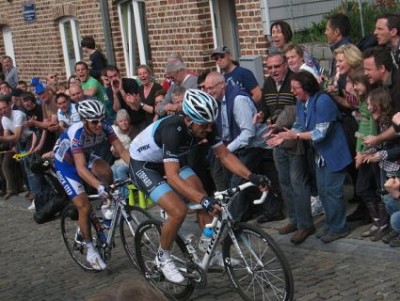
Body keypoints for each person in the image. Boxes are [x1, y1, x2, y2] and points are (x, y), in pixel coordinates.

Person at [128, 89, 269, 283]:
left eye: (212, 124)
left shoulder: (206, 124)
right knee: (178, 210)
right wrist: (203, 201)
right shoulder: (173, 131)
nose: (210, 129)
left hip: (170, 160)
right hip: (144, 165)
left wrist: (251, 176)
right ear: (189, 120)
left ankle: (210, 253)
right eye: (205, 125)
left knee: (200, 193)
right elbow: (172, 176)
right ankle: (162, 257)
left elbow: (225, 155)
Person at [268, 70, 352, 243]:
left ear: (306, 87)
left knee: (332, 191)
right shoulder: (301, 102)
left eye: (295, 88)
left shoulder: (323, 101)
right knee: (323, 190)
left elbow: (320, 132)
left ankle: (339, 227)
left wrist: (295, 136)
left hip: (334, 153)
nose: (292, 91)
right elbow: (300, 124)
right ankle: (331, 224)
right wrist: (285, 135)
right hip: (320, 155)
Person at [54, 99, 129, 270]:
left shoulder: (105, 127)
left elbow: (122, 151)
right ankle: (90, 249)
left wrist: (137, 170)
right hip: (66, 164)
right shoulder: (77, 133)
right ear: (84, 121)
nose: (100, 125)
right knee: (84, 206)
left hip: (84, 157)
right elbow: (80, 169)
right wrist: (99, 186)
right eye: (95, 122)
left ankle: (106, 206)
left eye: (102, 120)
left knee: (107, 172)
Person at [361, 87, 398, 241]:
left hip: (395, 166)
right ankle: (390, 226)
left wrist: (381, 154)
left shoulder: (393, 122)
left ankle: (394, 227)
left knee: (394, 198)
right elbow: (382, 143)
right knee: (385, 197)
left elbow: (396, 147)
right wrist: (371, 150)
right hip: (385, 165)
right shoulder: (380, 122)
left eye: (371, 105)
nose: (369, 108)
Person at [104, 65, 145, 132]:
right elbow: (117, 109)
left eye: (115, 75)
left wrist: (121, 90)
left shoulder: (131, 82)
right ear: (107, 79)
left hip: (138, 119)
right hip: (125, 124)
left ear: (119, 74)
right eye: (111, 77)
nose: (114, 79)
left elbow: (133, 106)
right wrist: (115, 94)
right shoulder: (109, 90)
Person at [324, 13, 352, 78]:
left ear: (336, 31)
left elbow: (338, 80)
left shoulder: (343, 51)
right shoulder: (346, 46)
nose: (325, 33)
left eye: (327, 29)